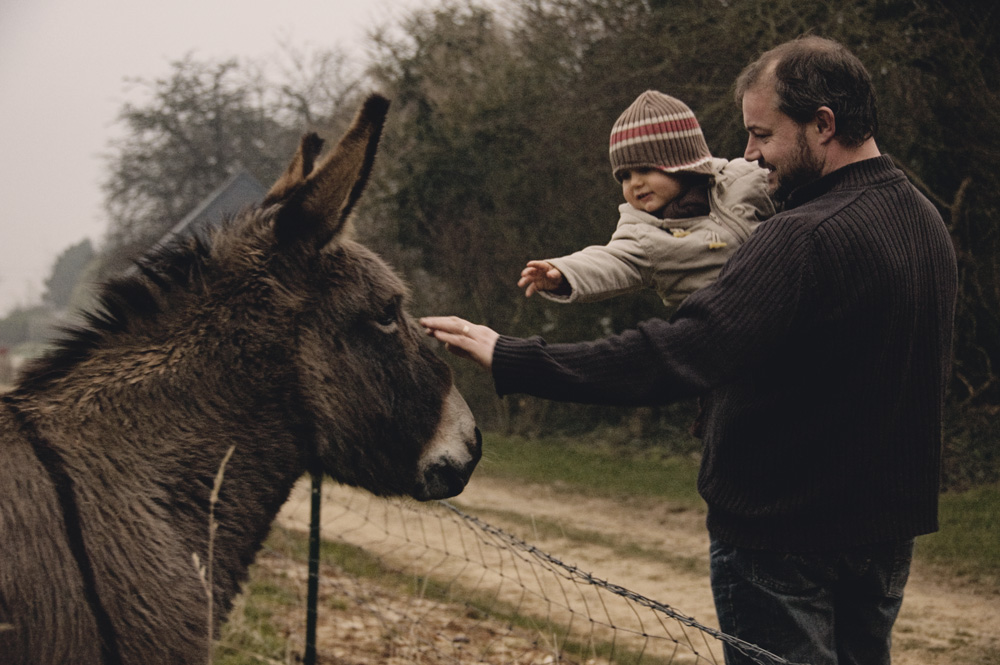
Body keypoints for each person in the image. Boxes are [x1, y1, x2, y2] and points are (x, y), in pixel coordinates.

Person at [422, 35, 958, 665]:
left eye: (761, 134)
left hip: (784, 535)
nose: (749, 153)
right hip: (885, 532)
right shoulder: (921, 217)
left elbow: (677, 353)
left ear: (822, 124)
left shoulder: (801, 237)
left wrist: (516, 357)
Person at [519, 90, 774, 311]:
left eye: (645, 170)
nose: (635, 184)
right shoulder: (644, 236)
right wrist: (564, 272)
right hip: (731, 325)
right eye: (625, 177)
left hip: (790, 297)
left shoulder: (743, 178)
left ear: (682, 164)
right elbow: (611, 261)